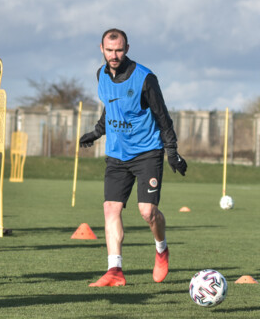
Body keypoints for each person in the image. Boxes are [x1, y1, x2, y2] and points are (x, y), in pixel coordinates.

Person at [80, 28, 187, 287]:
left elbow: (163, 117)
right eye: (109, 50)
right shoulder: (101, 74)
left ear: (127, 48)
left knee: (147, 212)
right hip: (116, 155)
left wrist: (171, 152)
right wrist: (96, 132)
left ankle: (161, 249)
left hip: (147, 153)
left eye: (118, 50)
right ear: (102, 49)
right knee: (110, 208)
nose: (114, 55)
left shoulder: (145, 78)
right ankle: (115, 270)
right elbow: (111, 107)